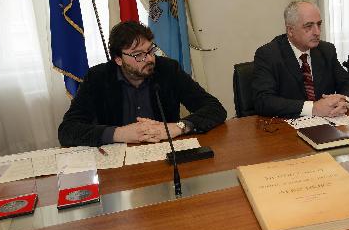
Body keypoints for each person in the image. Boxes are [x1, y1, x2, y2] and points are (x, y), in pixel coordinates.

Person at [58, 21, 227, 147]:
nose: (149, 59)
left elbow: (214, 108)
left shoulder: (168, 70)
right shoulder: (98, 78)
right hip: (118, 163)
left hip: (164, 153)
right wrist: (119, 133)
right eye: (138, 55)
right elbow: (67, 130)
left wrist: (178, 127)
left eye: (150, 50)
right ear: (118, 59)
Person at [252, 1, 349, 118]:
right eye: (309, 26)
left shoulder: (326, 50)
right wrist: (313, 108)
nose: (317, 32)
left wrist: (344, 101)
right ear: (290, 30)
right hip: (287, 127)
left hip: (328, 123)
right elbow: (263, 101)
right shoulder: (269, 54)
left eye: (319, 24)